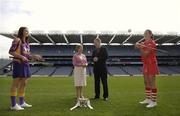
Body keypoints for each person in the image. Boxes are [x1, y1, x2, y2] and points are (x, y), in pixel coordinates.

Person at [9, 27, 42, 111]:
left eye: (28, 30)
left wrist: (34, 56)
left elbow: (27, 55)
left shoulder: (27, 43)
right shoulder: (17, 40)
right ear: (21, 32)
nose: (27, 32)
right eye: (25, 30)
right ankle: (13, 105)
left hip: (25, 64)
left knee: (24, 83)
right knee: (15, 84)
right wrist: (21, 57)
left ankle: (21, 102)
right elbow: (11, 51)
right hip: (18, 63)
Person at [135, 29, 159, 108]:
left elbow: (145, 54)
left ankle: (153, 101)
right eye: (144, 33)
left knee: (152, 82)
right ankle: (148, 99)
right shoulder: (144, 43)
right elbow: (135, 47)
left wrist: (141, 47)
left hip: (151, 64)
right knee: (146, 82)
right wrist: (137, 44)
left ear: (150, 34)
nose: (144, 34)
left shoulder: (152, 43)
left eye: (146, 33)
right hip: (145, 64)